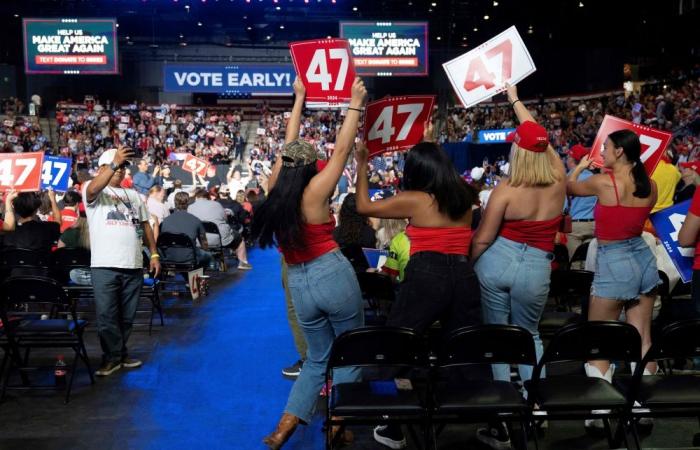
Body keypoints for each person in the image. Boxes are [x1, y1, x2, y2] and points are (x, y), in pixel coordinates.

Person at [255, 77, 366, 449]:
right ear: (307, 168)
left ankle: (284, 426)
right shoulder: (317, 191)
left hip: (299, 282)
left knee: (317, 358)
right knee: (352, 348)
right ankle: (337, 423)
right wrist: (354, 104)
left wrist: (299, 99)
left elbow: (288, 146)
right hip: (330, 273)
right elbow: (343, 151)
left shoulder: (275, 191)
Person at [355, 127, 480, 450]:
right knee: (460, 347)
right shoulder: (464, 195)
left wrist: (362, 165)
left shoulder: (417, 199)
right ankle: (466, 414)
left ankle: (394, 425)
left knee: (397, 344)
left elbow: (365, 207)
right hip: (464, 276)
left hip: (428, 274)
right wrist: (429, 141)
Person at [470, 83, 567, 449]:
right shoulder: (559, 180)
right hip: (536, 267)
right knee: (530, 336)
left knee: (498, 338)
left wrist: (471, 263)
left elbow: (482, 237)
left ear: (517, 152)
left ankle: (502, 417)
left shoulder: (506, 191)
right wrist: (516, 99)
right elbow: (543, 140)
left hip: (498, 260)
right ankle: (534, 404)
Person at [568, 129, 659, 431]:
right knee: (642, 339)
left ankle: (601, 412)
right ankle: (641, 406)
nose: (602, 152)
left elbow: (569, 187)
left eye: (605, 147)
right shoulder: (651, 185)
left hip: (614, 261)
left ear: (620, 151)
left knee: (599, 341)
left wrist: (581, 165)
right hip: (643, 260)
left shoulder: (603, 182)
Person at [83, 147, 161, 377]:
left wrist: (154, 254)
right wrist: (114, 162)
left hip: (133, 263)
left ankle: (119, 354)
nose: (120, 170)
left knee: (127, 316)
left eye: (122, 167)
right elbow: (94, 188)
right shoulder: (91, 189)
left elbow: (146, 225)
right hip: (104, 264)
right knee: (107, 316)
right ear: (102, 169)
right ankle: (112, 357)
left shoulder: (134, 195)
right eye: (115, 166)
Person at [188, 188, 251, 270]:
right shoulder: (216, 204)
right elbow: (225, 219)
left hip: (199, 241)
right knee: (239, 239)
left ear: (196, 197)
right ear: (208, 197)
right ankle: (243, 262)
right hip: (219, 239)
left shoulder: (190, 207)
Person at [160, 192, 213, 269]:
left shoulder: (165, 221)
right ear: (188, 203)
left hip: (169, 258)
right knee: (208, 256)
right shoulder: (195, 220)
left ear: (175, 203)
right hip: (190, 259)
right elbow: (204, 244)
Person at [564, 144, 597, 260]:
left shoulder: (568, 178)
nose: (566, 160)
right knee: (588, 263)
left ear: (572, 160)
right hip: (592, 225)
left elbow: (563, 207)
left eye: (568, 158)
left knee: (574, 263)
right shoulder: (593, 177)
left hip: (574, 227)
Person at [58, 216, 92, 285]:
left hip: (68, 271)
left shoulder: (68, 232)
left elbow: (60, 251)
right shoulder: (95, 233)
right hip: (89, 269)